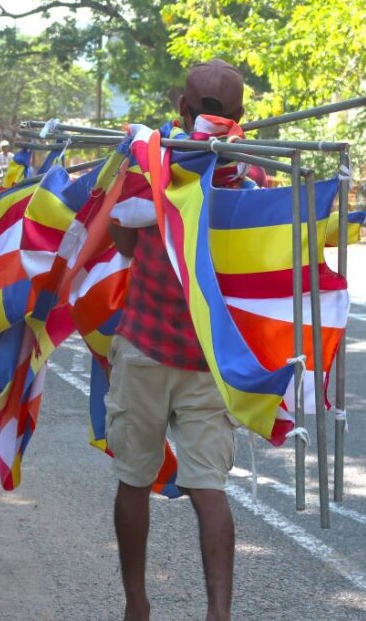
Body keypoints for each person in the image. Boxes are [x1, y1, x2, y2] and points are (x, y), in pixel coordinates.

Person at [106, 59, 245, 621]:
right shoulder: (251, 178)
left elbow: (121, 239)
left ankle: (137, 605)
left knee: (133, 478)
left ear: (183, 110)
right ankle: (219, 614)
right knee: (209, 487)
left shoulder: (153, 166)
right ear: (238, 118)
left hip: (144, 343)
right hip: (210, 358)